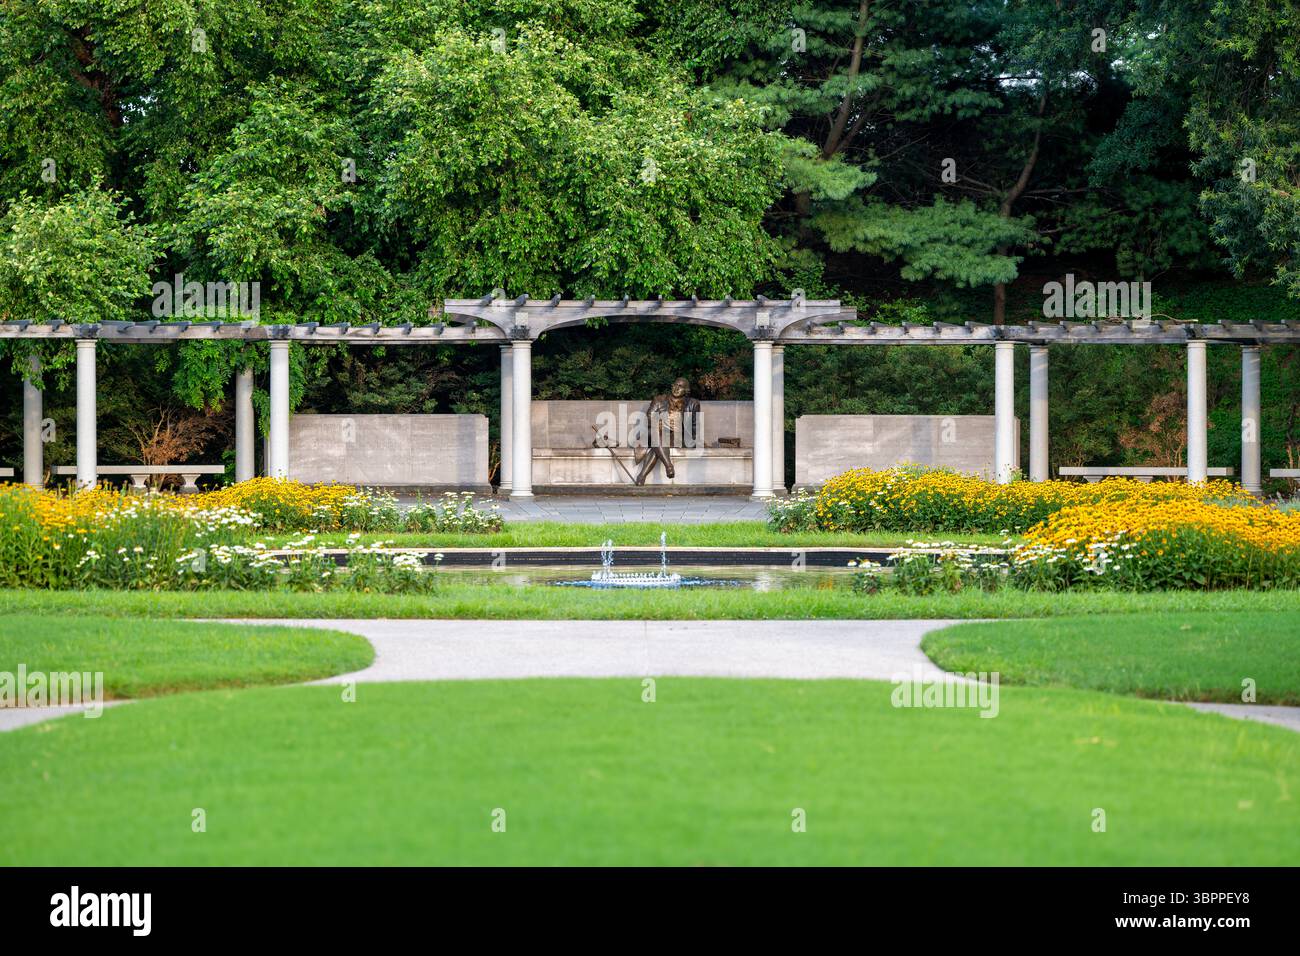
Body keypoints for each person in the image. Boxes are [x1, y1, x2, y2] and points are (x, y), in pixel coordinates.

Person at [634, 377, 701, 484]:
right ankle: (669, 466)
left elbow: (694, 426)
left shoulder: (693, 403)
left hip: (678, 437)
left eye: (680, 386)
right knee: (657, 434)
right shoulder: (659, 400)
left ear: (686, 390)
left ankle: (641, 476)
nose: (676, 388)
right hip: (657, 432)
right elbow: (650, 417)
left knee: (658, 445)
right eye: (675, 385)